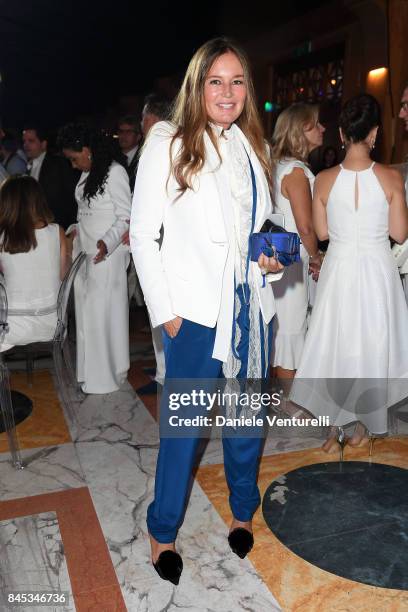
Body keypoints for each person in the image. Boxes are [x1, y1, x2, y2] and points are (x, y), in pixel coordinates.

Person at [130, 37, 283, 585]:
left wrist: (272, 257)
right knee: (185, 430)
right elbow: (143, 236)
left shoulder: (249, 146)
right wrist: (167, 313)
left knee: (246, 423)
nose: (227, 91)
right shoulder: (167, 142)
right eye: (216, 80)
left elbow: (257, 227)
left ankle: (243, 513)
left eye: (237, 81)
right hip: (193, 316)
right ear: (198, 85)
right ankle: (162, 530)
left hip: (249, 311)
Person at [290, 94, 408, 452]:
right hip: (376, 269)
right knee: (371, 344)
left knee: (335, 343)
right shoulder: (390, 177)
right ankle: (364, 427)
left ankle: (333, 430)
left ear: (341, 133)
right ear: (374, 133)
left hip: (339, 268)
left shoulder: (323, 179)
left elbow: (322, 234)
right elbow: (400, 234)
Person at [59, 124, 131, 394]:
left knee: (103, 317)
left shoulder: (115, 173)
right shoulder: (87, 175)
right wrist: (75, 230)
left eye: (74, 158)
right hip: (85, 255)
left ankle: (107, 377)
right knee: (88, 316)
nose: (73, 164)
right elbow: (86, 213)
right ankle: (91, 373)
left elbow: (126, 216)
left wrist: (107, 241)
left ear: (87, 151)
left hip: (107, 257)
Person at [271, 103, 324, 380]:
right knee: (291, 329)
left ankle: (283, 400)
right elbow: (305, 225)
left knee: (282, 329)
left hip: (279, 254)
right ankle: (288, 403)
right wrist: (316, 256)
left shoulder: (278, 165)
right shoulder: (296, 172)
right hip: (294, 256)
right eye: (315, 124)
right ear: (298, 132)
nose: (322, 128)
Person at [0, 176, 70, 351]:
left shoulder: (3, 237)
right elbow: (64, 275)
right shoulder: (57, 231)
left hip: (12, 328)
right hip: (53, 323)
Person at [132, 93, 172, 395]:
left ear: (150, 118)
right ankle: (161, 369)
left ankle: (164, 373)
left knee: (161, 309)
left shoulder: (159, 145)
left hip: (161, 246)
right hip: (156, 242)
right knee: (156, 313)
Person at [23, 127, 78, 229]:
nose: (26, 145)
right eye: (24, 141)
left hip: (57, 226)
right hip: (35, 228)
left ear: (43, 144)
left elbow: (72, 196)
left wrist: (71, 228)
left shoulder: (58, 164)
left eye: (31, 141)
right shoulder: (27, 168)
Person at [117, 115, 142, 193]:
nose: (123, 136)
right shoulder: (113, 157)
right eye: (121, 131)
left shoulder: (143, 159)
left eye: (128, 132)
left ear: (138, 136)